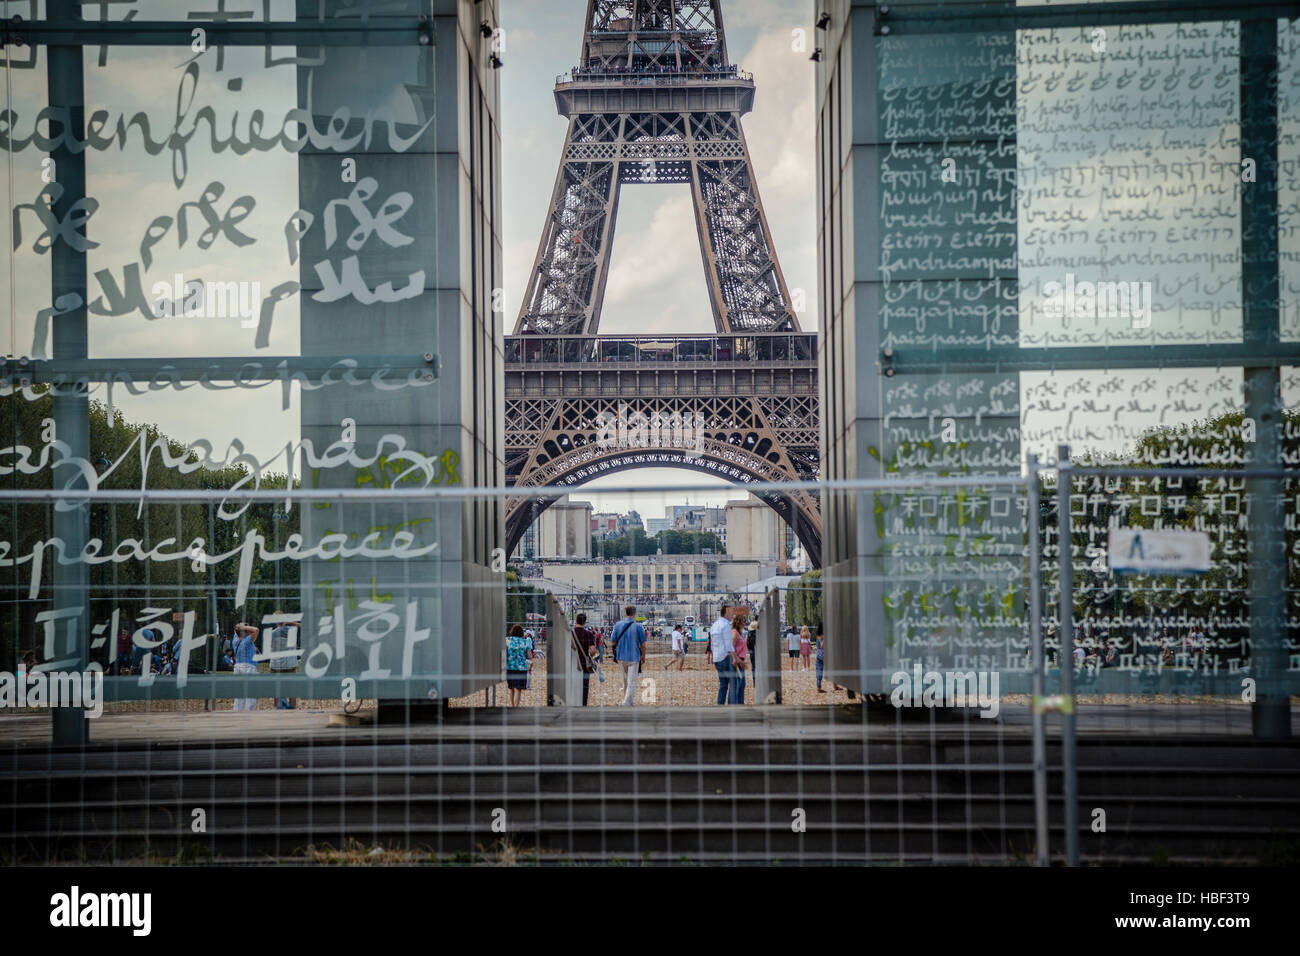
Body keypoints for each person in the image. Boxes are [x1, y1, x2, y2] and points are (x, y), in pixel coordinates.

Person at [611, 606, 647, 706]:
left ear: (625, 613)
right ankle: (626, 702)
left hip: (621, 656)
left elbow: (613, 641)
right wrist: (643, 656)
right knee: (632, 681)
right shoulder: (638, 626)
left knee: (625, 681)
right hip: (634, 656)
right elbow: (643, 645)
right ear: (634, 614)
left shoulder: (617, 625)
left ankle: (629, 701)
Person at [269, 610, 302, 710]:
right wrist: (290, 622)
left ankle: (277, 707)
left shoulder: (272, 633)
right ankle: (292, 708)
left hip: (276, 665)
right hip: (290, 664)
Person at [708, 605, 736, 705]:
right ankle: (731, 706)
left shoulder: (714, 625)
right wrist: (736, 658)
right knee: (733, 682)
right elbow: (729, 645)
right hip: (724, 658)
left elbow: (712, 643)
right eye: (732, 612)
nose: (733, 614)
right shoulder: (726, 625)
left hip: (716, 658)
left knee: (723, 684)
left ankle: (720, 705)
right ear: (727, 612)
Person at [572, 613, 600, 707]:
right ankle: (583, 704)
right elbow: (593, 650)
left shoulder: (570, 633)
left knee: (572, 683)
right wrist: (589, 656)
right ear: (585, 622)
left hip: (572, 662)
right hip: (584, 661)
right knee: (584, 684)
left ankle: (573, 702)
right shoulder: (588, 634)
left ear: (576, 621)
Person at [505, 624, 535, 707]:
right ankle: (516, 708)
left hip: (510, 667)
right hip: (521, 668)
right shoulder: (526, 642)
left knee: (512, 689)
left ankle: (512, 707)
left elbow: (505, 654)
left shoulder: (508, 641)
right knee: (518, 689)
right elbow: (530, 656)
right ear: (522, 633)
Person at [232, 622, 259, 711]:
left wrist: (241, 627)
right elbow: (256, 630)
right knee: (251, 695)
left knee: (239, 694)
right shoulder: (247, 641)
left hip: (238, 667)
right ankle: (248, 714)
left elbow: (236, 631)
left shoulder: (235, 640)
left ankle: (237, 711)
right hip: (249, 667)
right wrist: (246, 627)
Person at [730, 614, 747, 704]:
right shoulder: (735, 633)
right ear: (739, 622)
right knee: (737, 685)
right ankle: (736, 705)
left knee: (741, 685)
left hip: (741, 660)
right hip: (737, 661)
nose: (745, 623)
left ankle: (740, 704)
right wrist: (735, 659)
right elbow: (731, 647)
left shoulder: (739, 633)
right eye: (744, 621)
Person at [815, 622, 827, 693]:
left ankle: (818, 687)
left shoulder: (817, 635)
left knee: (819, 671)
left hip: (818, 654)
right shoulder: (824, 635)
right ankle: (835, 685)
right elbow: (822, 645)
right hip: (824, 654)